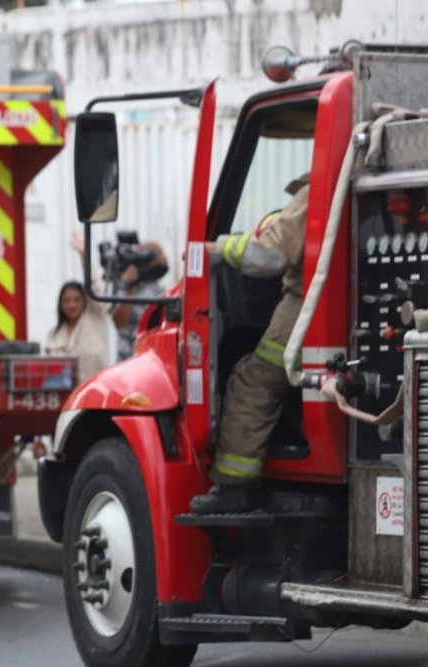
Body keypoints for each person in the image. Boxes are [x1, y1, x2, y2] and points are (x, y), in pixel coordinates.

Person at [191, 175, 310, 514]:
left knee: (253, 380)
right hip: (330, 307)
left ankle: (235, 487)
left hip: (305, 307)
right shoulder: (343, 186)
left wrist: (217, 248)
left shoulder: (315, 193)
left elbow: (269, 257)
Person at [111, 242, 169, 361]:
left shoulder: (161, 290)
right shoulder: (125, 285)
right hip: (128, 360)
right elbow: (119, 322)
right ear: (150, 259)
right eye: (161, 253)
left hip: (153, 358)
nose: (166, 258)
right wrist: (130, 286)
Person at [44, 281, 112, 382]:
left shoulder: (95, 319)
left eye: (76, 300)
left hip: (95, 389)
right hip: (65, 393)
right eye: (66, 301)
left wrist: (86, 265)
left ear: (84, 301)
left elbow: (94, 287)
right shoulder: (53, 334)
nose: (71, 305)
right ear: (60, 304)